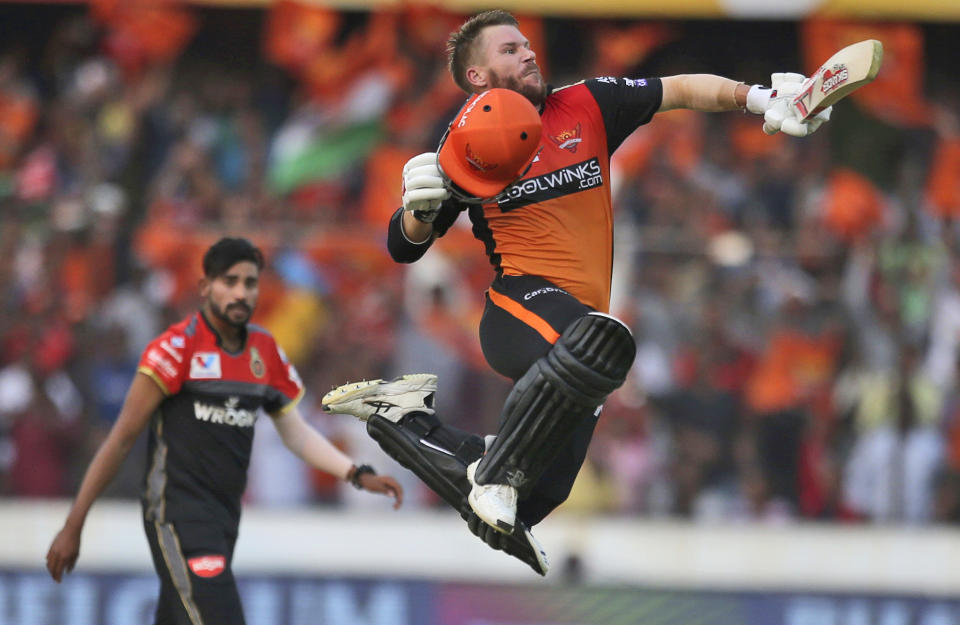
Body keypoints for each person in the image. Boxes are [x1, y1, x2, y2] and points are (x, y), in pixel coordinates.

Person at [322, 9, 830, 575]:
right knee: (592, 346)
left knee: (530, 504)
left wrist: (759, 99)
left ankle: (403, 420)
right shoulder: (469, 140)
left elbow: (682, 89)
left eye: (526, 44)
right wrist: (416, 213)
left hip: (579, 341)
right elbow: (404, 246)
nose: (529, 53)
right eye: (510, 50)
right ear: (478, 78)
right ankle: (494, 472)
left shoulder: (586, 104)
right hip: (518, 313)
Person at [46, 237, 403, 624]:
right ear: (205, 288)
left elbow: (295, 433)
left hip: (222, 518)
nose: (240, 292)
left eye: (249, 283)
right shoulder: (173, 352)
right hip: (176, 515)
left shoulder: (263, 352)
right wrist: (73, 524)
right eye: (229, 281)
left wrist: (354, 473)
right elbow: (121, 439)